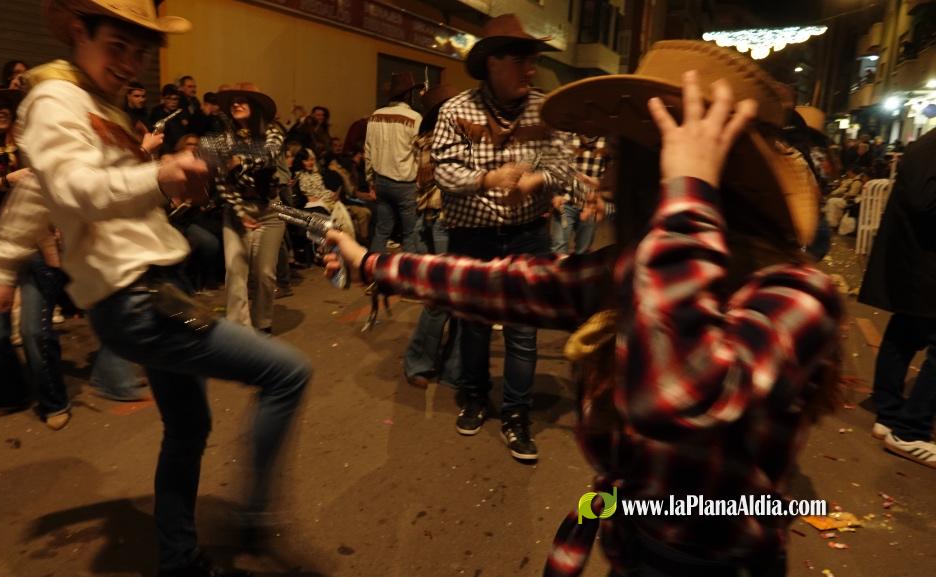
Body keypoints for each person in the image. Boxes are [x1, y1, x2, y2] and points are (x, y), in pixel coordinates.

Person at [325, 41, 843, 577]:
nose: (609, 171)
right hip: (633, 545)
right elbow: (506, 284)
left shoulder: (795, 295)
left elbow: (675, 394)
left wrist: (688, 191)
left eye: (625, 155)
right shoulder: (640, 267)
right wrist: (370, 263)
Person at [0, 2, 310, 575]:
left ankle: (180, 560)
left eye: (139, 52)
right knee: (287, 372)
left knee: (189, 427)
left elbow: (38, 190)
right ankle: (250, 522)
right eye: (118, 47)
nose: (130, 65)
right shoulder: (55, 101)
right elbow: (72, 187)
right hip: (134, 299)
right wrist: (160, 173)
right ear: (81, 31)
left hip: (156, 287)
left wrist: (1, 263)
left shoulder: (89, 103)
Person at [430, 14, 571, 462]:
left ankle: (516, 415)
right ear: (492, 63)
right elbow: (445, 170)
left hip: (529, 235)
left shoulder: (546, 109)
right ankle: (473, 397)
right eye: (520, 61)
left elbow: (563, 166)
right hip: (472, 236)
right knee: (471, 325)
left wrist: (537, 182)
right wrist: (489, 177)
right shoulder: (456, 110)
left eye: (533, 61)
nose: (530, 70)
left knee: (522, 332)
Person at [859, 126, 936, 469]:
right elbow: (924, 199)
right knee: (911, 333)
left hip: (919, 261)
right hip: (924, 261)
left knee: (906, 331)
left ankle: (889, 415)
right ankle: (909, 430)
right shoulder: (932, 146)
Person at [213, 82, 287, 333]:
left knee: (265, 274)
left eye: (242, 100)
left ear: (255, 107)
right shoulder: (224, 138)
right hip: (237, 209)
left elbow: (269, 155)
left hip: (270, 211)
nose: (236, 104)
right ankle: (239, 332)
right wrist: (238, 211)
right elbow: (222, 182)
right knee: (235, 273)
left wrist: (240, 160)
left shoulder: (273, 132)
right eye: (233, 101)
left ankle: (263, 324)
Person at [402, 84, 461, 388]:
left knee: (453, 299)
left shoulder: (428, 139)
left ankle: (448, 367)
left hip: (436, 220)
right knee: (443, 299)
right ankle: (421, 363)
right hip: (444, 222)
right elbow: (446, 182)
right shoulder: (439, 139)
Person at [364, 72, 424, 255]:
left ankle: (373, 273)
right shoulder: (415, 118)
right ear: (408, 94)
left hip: (381, 181)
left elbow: (368, 150)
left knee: (382, 230)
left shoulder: (375, 115)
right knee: (409, 233)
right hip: (406, 184)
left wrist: (370, 180)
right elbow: (420, 154)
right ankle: (408, 275)